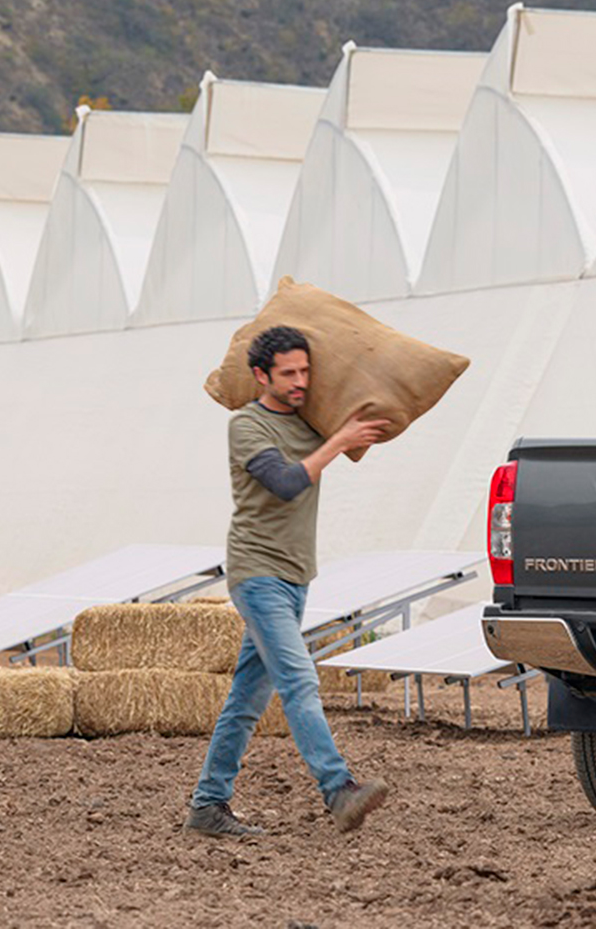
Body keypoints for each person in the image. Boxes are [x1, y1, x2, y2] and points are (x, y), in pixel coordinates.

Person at [185, 325, 393, 837]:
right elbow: (283, 483)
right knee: (299, 679)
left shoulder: (312, 422)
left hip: (297, 575)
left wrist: (347, 428)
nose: (300, 381)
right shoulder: (247, 426)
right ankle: (338, 789)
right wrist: (338, 442)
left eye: (305, 371)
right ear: (262, 376)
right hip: (257, 573)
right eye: (288, 373)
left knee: (246, 699)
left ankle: (207, 806)